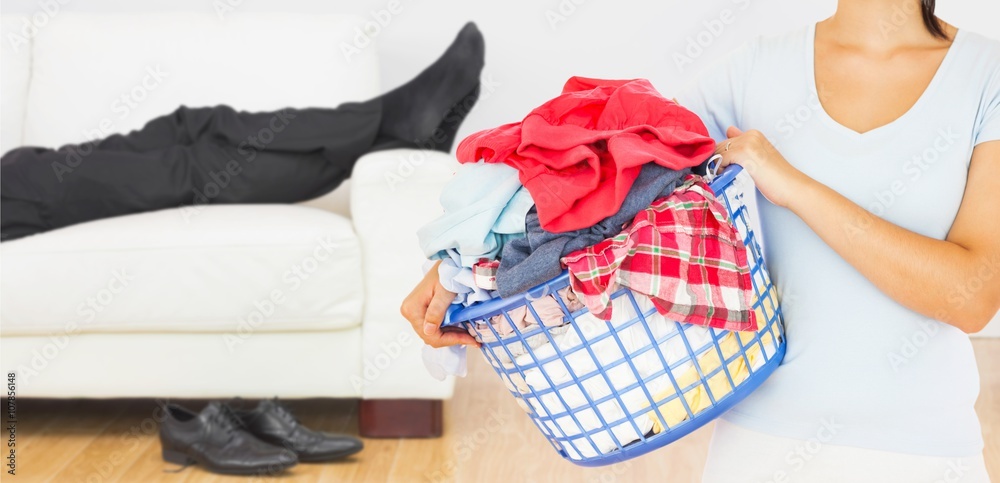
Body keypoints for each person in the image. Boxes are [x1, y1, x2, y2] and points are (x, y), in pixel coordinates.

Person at [401, 1, 999, 480]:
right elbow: (601, 178)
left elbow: (972, 296)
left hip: (926, 454)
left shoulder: (987, 77)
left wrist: (792, 184)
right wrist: (462, 265)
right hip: (761, 450)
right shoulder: (750, 72)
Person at [0, 23, 485, 242]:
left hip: (17, 169)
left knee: (193, 123)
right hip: (13, 202)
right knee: (189, 169)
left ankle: (387, 121)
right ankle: (391, 124)